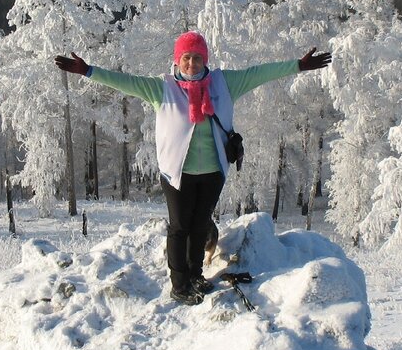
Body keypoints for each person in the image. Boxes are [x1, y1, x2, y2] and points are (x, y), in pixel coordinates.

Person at [55, 31, 332, 306]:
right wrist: (88, 70)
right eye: (186, 57)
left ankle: (195, 274)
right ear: (177, 60)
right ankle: (179, 284)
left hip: (213, 171)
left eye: (197, 58)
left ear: (205, 60)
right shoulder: (162, 88)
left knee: (200, 224)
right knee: (179, 227)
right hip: (177, 173)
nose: (192, 63)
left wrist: (297, 65)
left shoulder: (223, 84)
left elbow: (260, 73)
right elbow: (124, 82)